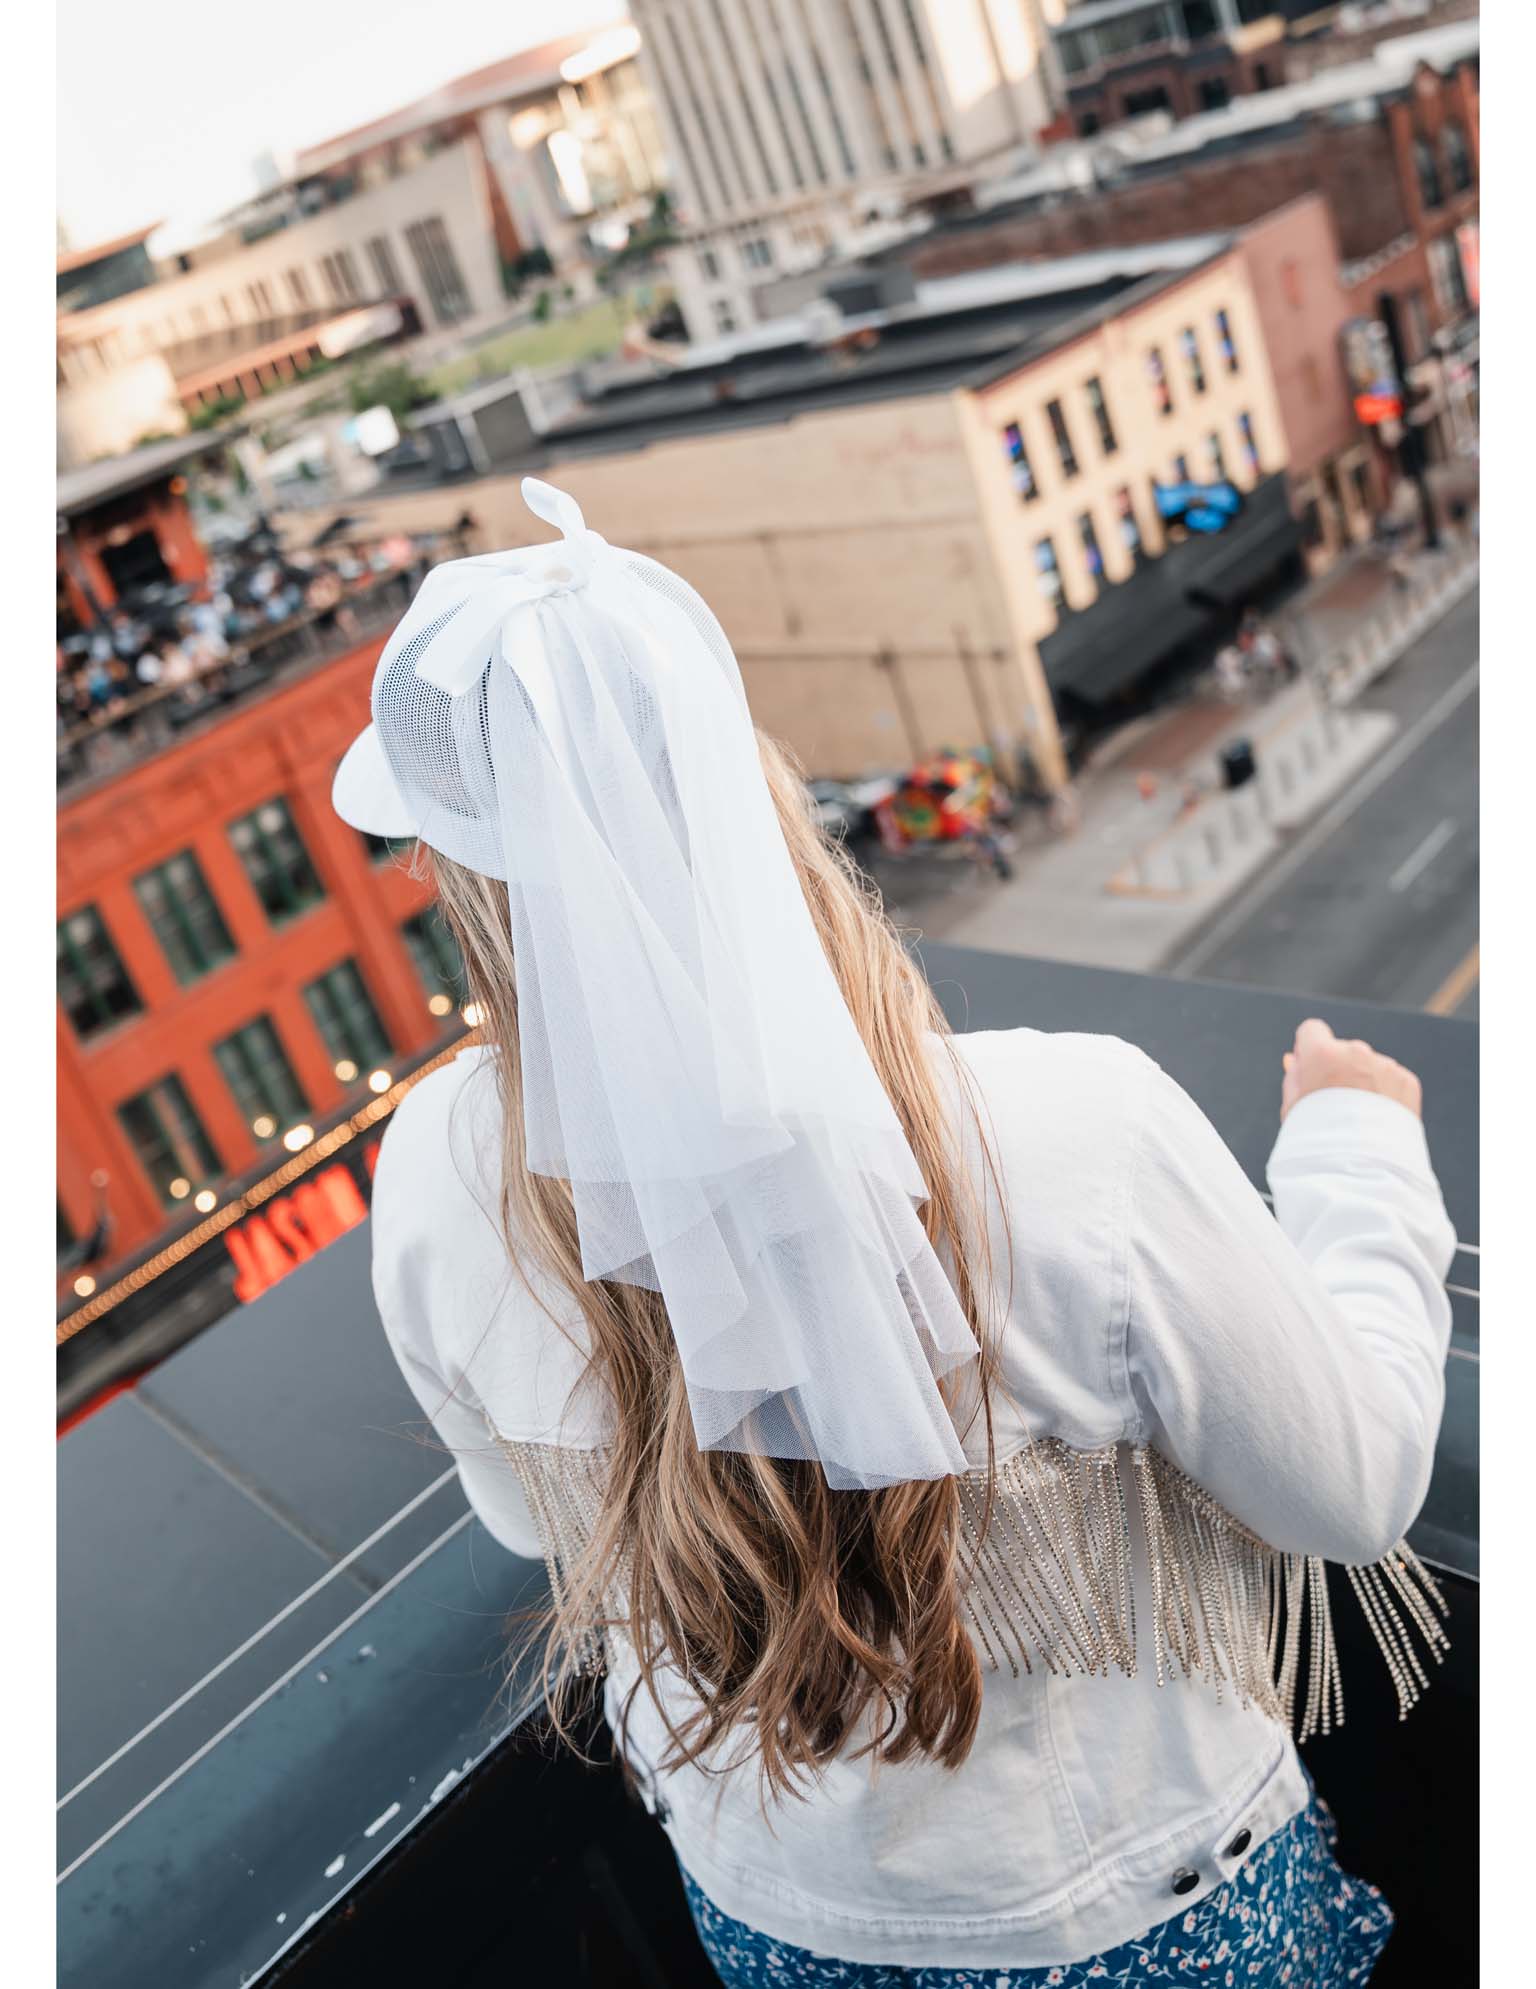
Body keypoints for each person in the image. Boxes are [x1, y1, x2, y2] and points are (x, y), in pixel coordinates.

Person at [335, 480, 1454, 1987]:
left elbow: (539, 1524)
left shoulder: (427, 1175)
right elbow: (1359, 1483)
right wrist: (1355, 1145)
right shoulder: (1073, 1130)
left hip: (780, 1922)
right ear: (751, 785)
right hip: (1153, 1917)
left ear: (459, 879)